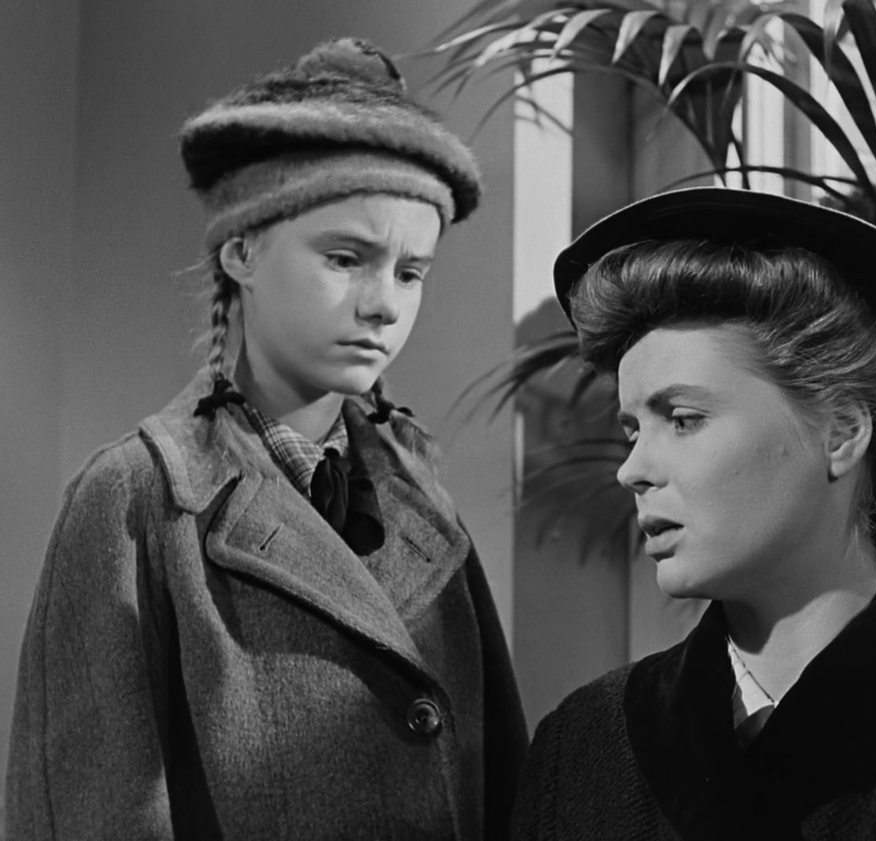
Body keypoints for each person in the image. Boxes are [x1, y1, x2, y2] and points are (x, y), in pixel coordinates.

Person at [6, 38, 527, 840]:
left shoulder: (428, 511)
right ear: (242, 249)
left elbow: (508, 797)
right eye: (346, 258)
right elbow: (89, 811)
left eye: (410, 271)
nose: (385, 304)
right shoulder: (136, 501)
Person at [511, 187, 876, 840]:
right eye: (634, 429)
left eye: (683, 419)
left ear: (841, 433)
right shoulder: (580, 750)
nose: (631, 469)